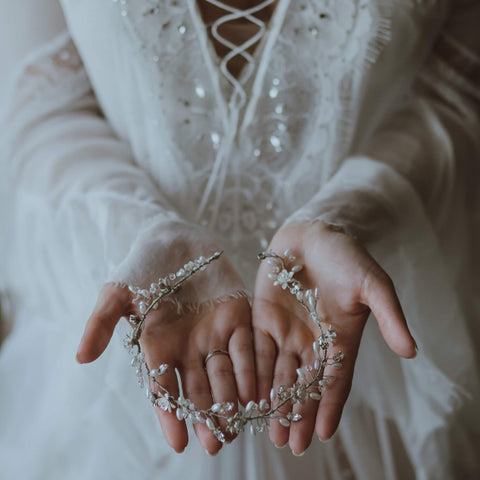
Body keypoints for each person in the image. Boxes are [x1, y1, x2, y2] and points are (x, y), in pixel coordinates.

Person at [0, 0, 479, 478]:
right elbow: (46, 109)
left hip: (356, 341)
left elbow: (456, 86)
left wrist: (350, 209)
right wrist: (138, 228)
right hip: (129, 350)